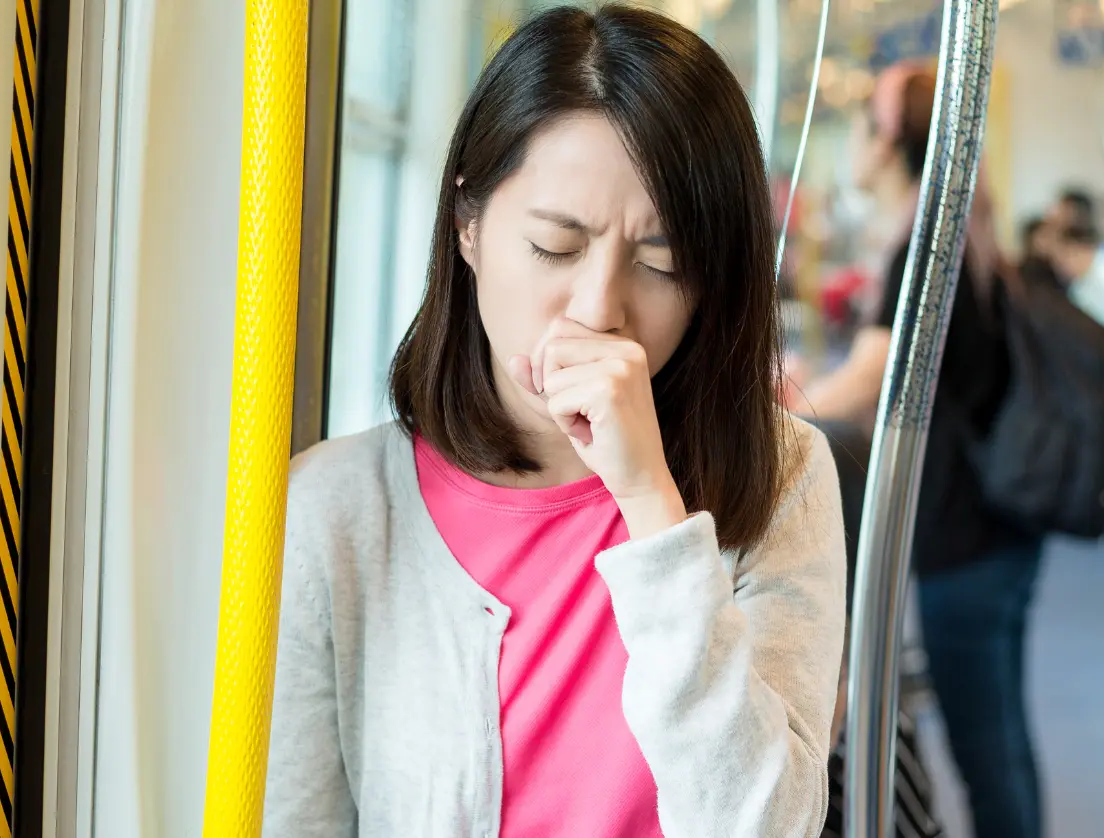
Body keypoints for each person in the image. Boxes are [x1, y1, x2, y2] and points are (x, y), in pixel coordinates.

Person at [263, 7, 846, 836]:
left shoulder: (779, 476)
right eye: (553, 245)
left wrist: (652, 506)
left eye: (660, 264)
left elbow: (761, 825)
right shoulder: (338, 511)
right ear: (468, 225)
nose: (597, 309)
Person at [789, 63, 1044, 838]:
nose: (854, 145)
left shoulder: (925, 254)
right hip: (997, 528)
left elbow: (870, 378)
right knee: (1002, 735)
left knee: (985, 747)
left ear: (892, 141)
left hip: (965, 535)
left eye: (864, 125)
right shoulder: (959, 240)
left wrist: (779, 407)